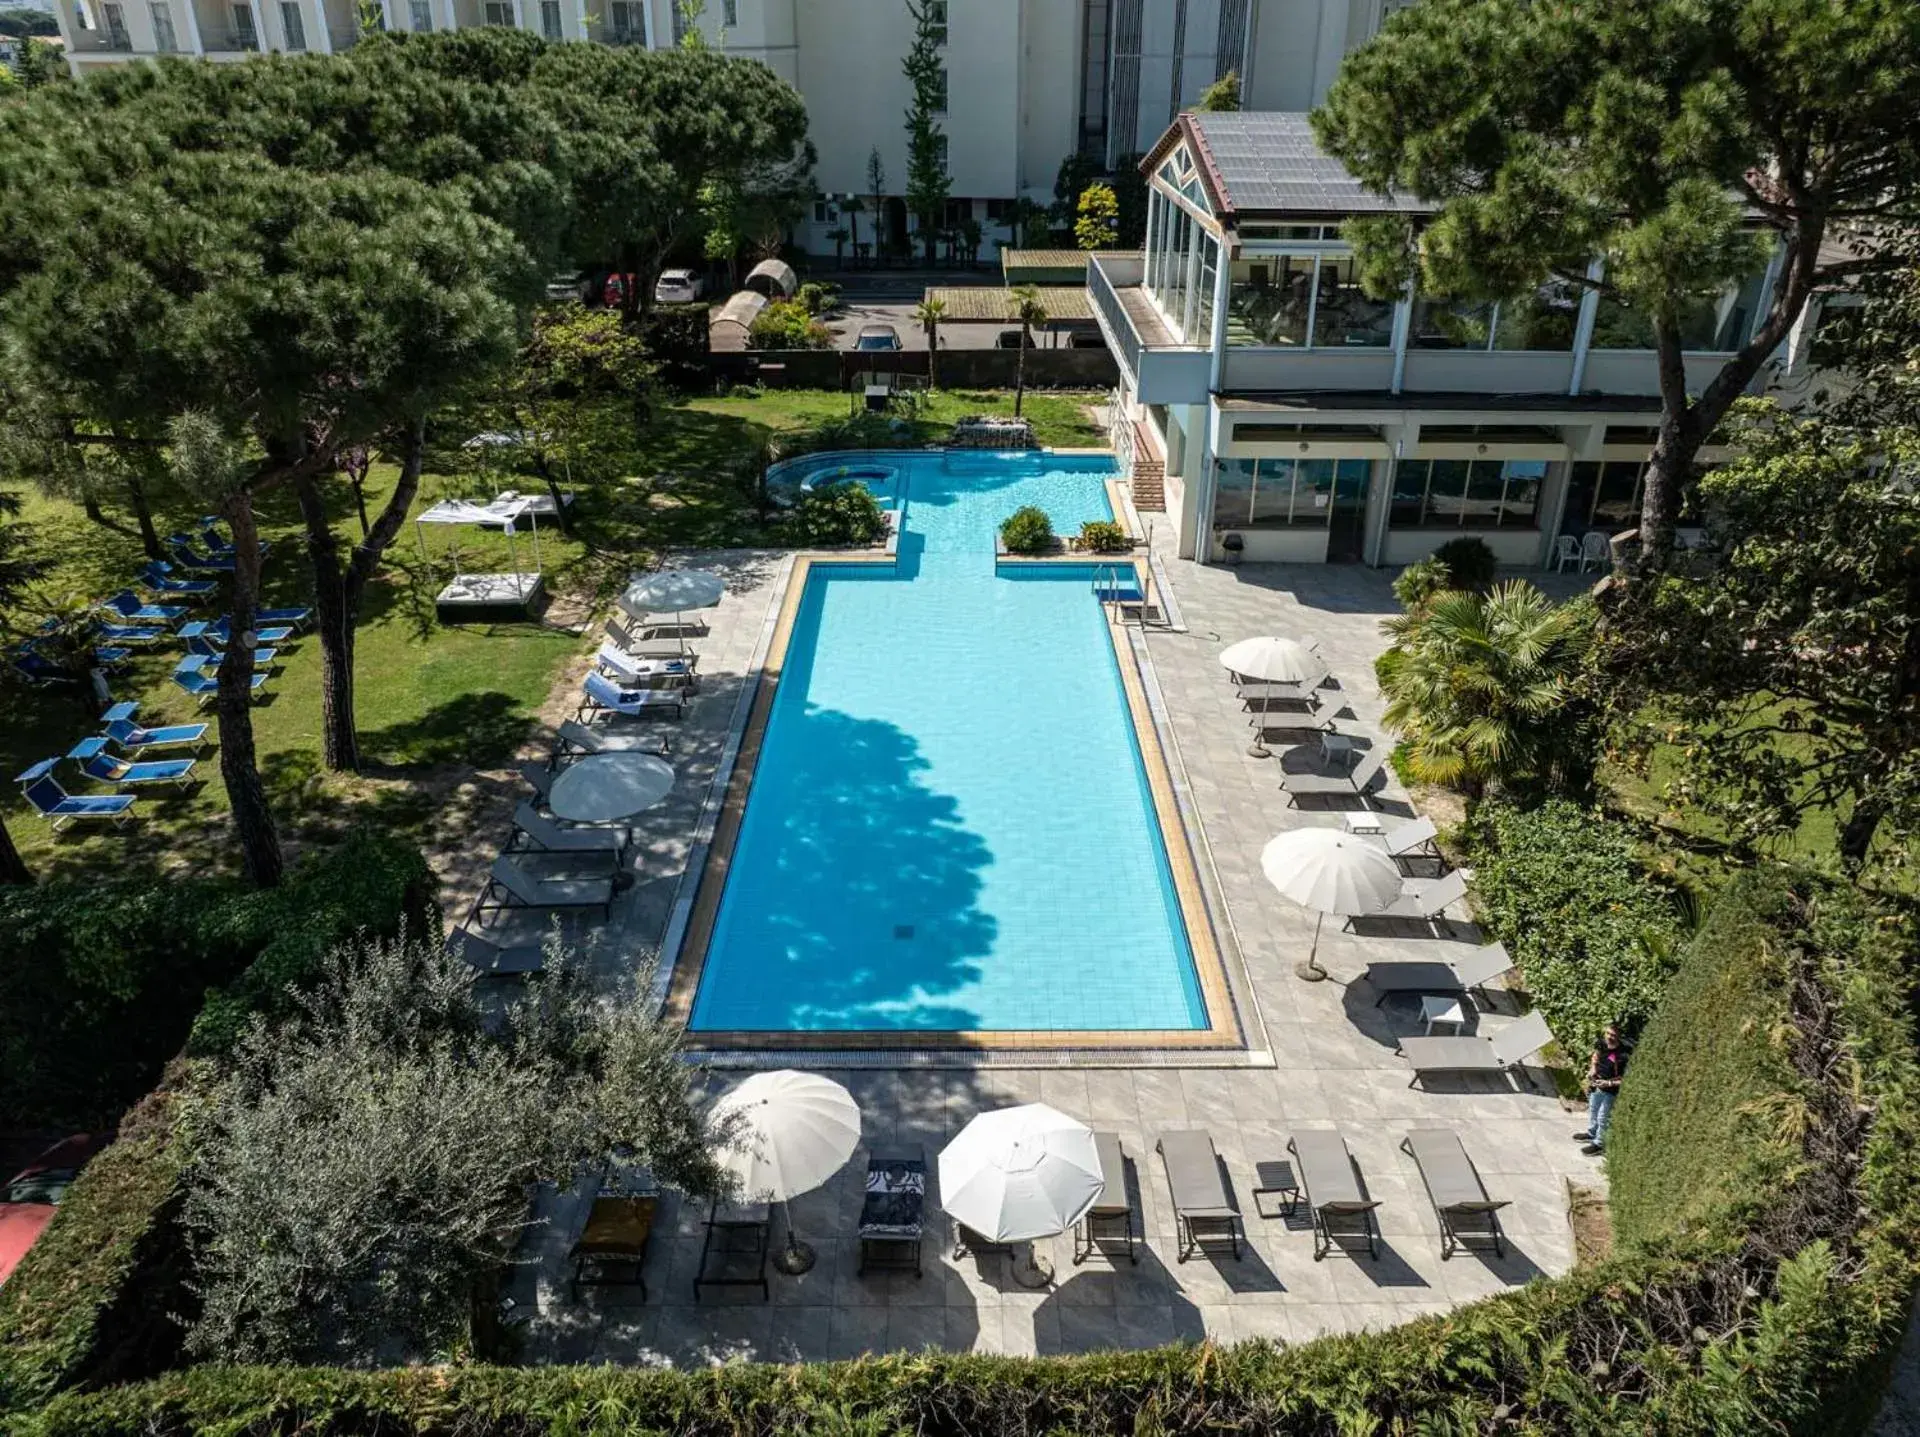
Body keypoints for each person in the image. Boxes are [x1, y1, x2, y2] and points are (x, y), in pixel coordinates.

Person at [1575, 1025, 1629, 1156]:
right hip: (1596, 1084)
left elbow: (1625, 1079)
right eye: (1608, 1034)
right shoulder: (1601, 1044)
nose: (1609, 1037)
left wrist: (1609, 1083)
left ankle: (1599, 1144)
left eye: (1613, 1036)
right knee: (1593, 1110)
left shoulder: (1623, 1055)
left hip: (1610, 1090)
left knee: (1603, 1118)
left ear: (1618, 1037)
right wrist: (1592, 1069)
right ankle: (1591, 1133)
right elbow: (1596, 1057)